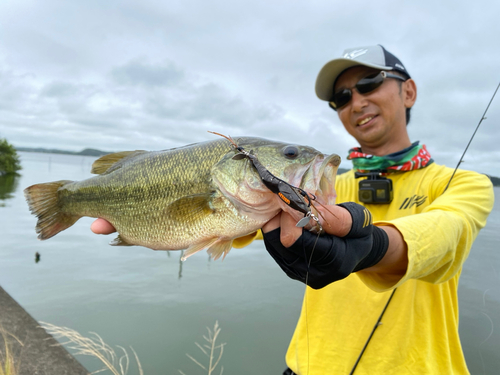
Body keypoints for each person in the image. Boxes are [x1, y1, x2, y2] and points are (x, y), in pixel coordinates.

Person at [91, 45, 494, 374]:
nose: (357, 101)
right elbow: (231, 224)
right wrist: (155, 212)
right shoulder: (323, 190)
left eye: (370, 82)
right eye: (342, 97)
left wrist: (370, 246)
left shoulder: (463, 183)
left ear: (408, 92)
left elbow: (446, 234)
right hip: (305, 367)